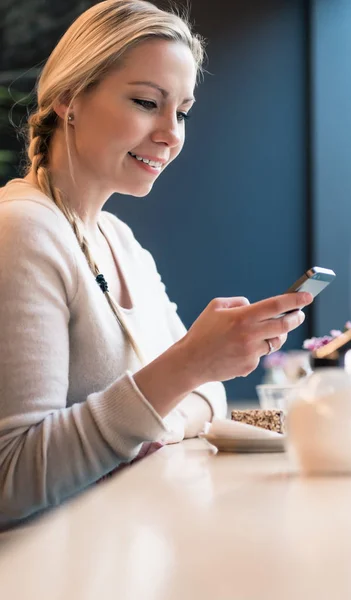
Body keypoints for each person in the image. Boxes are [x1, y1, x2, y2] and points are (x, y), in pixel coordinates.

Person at [0, 0, 312, 529]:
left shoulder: (121, 241)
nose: (173, 133)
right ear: (69, 98)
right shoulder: (22, 230)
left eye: (183, 111)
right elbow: (11, 479)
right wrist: (187, 366)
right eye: (147, 102)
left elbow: (211, 396)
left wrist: (175, 396)